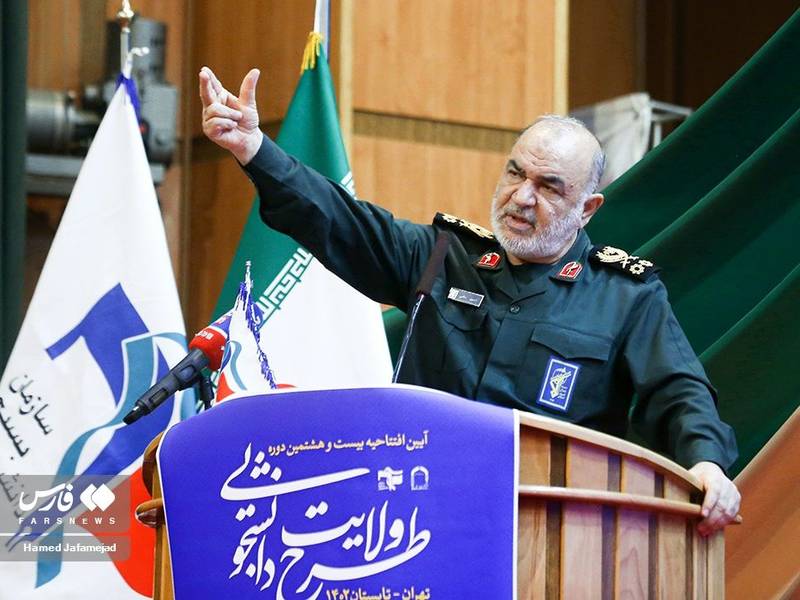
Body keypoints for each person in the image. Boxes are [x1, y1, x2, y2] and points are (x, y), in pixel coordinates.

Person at [199, 66, 741, 534]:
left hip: (545, 534)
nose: (521, 197)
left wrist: (707, 463)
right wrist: (255, 150)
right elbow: (339, 218)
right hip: (415, 516)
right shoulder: (441, 256)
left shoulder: (624, 296)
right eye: (515, 173)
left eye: (549, 187)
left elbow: (680, 391)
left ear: (588, 208)